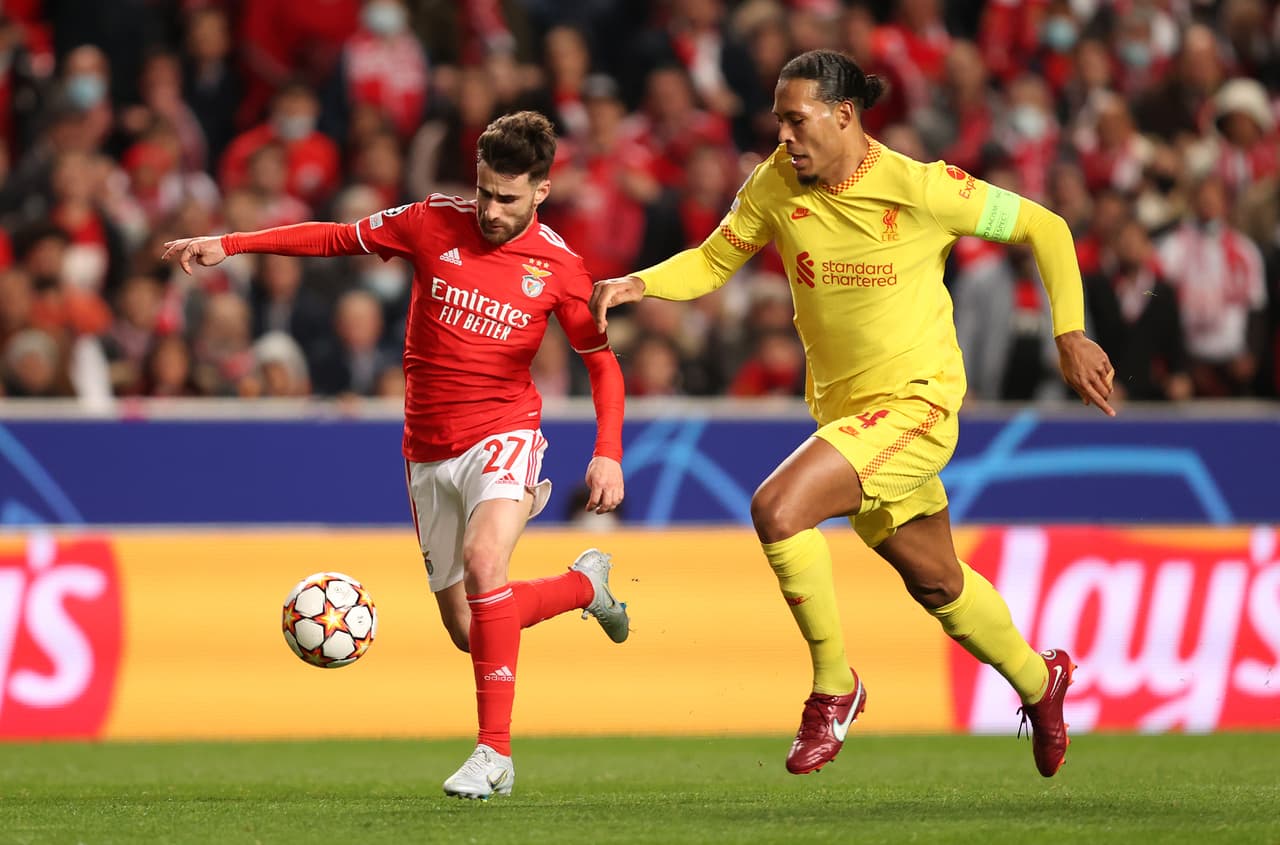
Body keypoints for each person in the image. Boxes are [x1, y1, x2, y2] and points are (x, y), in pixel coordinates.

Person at [590, 50, 1115, 779]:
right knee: (937, 582)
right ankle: (1040, 679)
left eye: (796, 120)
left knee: (778, 509)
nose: (784, 137)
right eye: (777, 121)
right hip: (849, 419)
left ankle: (835, 684)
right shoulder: (775, 185)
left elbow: (1047, 228)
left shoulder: (924, 188)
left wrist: (1067, 332)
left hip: (918, 407)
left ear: (844, 115)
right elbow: (712, 262)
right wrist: (638, 284)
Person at [163, 110, 629, 800]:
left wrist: (608, 452)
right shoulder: (430, 220)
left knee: (483, 563)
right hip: (426, 448)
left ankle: (493, 753)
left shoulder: (560, 267)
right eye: (484, 193)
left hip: (504, 431)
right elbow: (333, 237)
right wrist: (232, 243)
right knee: (471, 630)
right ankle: (585, 584)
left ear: (541, 191)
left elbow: (601, 363)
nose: (491, 211)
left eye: (507, 198)